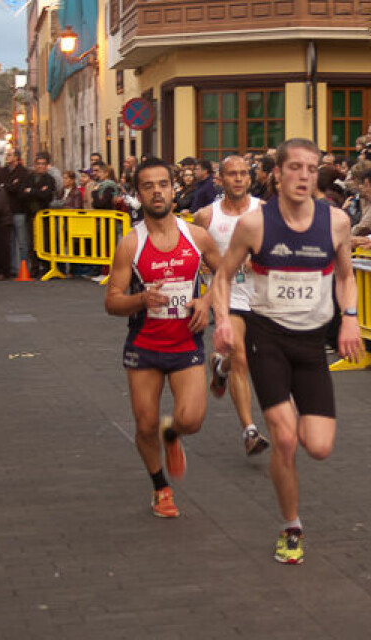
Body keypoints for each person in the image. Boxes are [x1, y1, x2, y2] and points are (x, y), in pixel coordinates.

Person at [211, 138, 363, 565]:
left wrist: (349, 317)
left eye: (311, 169)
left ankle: (285, 453)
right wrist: (223, 319)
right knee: (283, 436)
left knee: (318, 446)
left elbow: (346, 277)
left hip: (312, 343)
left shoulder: (335, 222)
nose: (303, 176)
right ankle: (291, 525)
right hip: (267, 338)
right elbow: (222, 278)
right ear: (277, 173)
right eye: (294, 167)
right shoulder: (255, 225)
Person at [105, 157, 222, 520]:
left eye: (163, 184)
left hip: (186, 344)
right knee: (143, 425)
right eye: (148, 186)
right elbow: (112, 301)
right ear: (138, 194)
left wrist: (206, 301)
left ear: (174, 189)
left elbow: (225, 273)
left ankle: (173, 435)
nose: (157, 191)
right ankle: (161, 488)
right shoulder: (130, 244)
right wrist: (140, 299)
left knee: (191, 421)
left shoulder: (197, 236)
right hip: (144, 346)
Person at [193, 156, 270, 456]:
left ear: (250, 179)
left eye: (243, 174)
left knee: (253, 358)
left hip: (262, 296)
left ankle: (218, 366)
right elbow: (195, 253)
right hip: (228, 295)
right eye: (231, 174)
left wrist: (260, 259)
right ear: (220, 180)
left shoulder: (264, 211)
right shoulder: (205, 216)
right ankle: (250, 431)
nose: (238, 179)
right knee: (241, 358)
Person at [4, 150, 32, 277]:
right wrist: (9, 185)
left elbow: (19, 189)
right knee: (10, 241)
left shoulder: (23, 172)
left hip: (19, 210)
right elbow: (3, 186)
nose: (7, 157)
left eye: (9, 155)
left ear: (16, 157)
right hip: (7, 211)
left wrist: (8, 186)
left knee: (22, 241)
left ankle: (24, 266)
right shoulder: (5, 171)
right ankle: (12, 268)